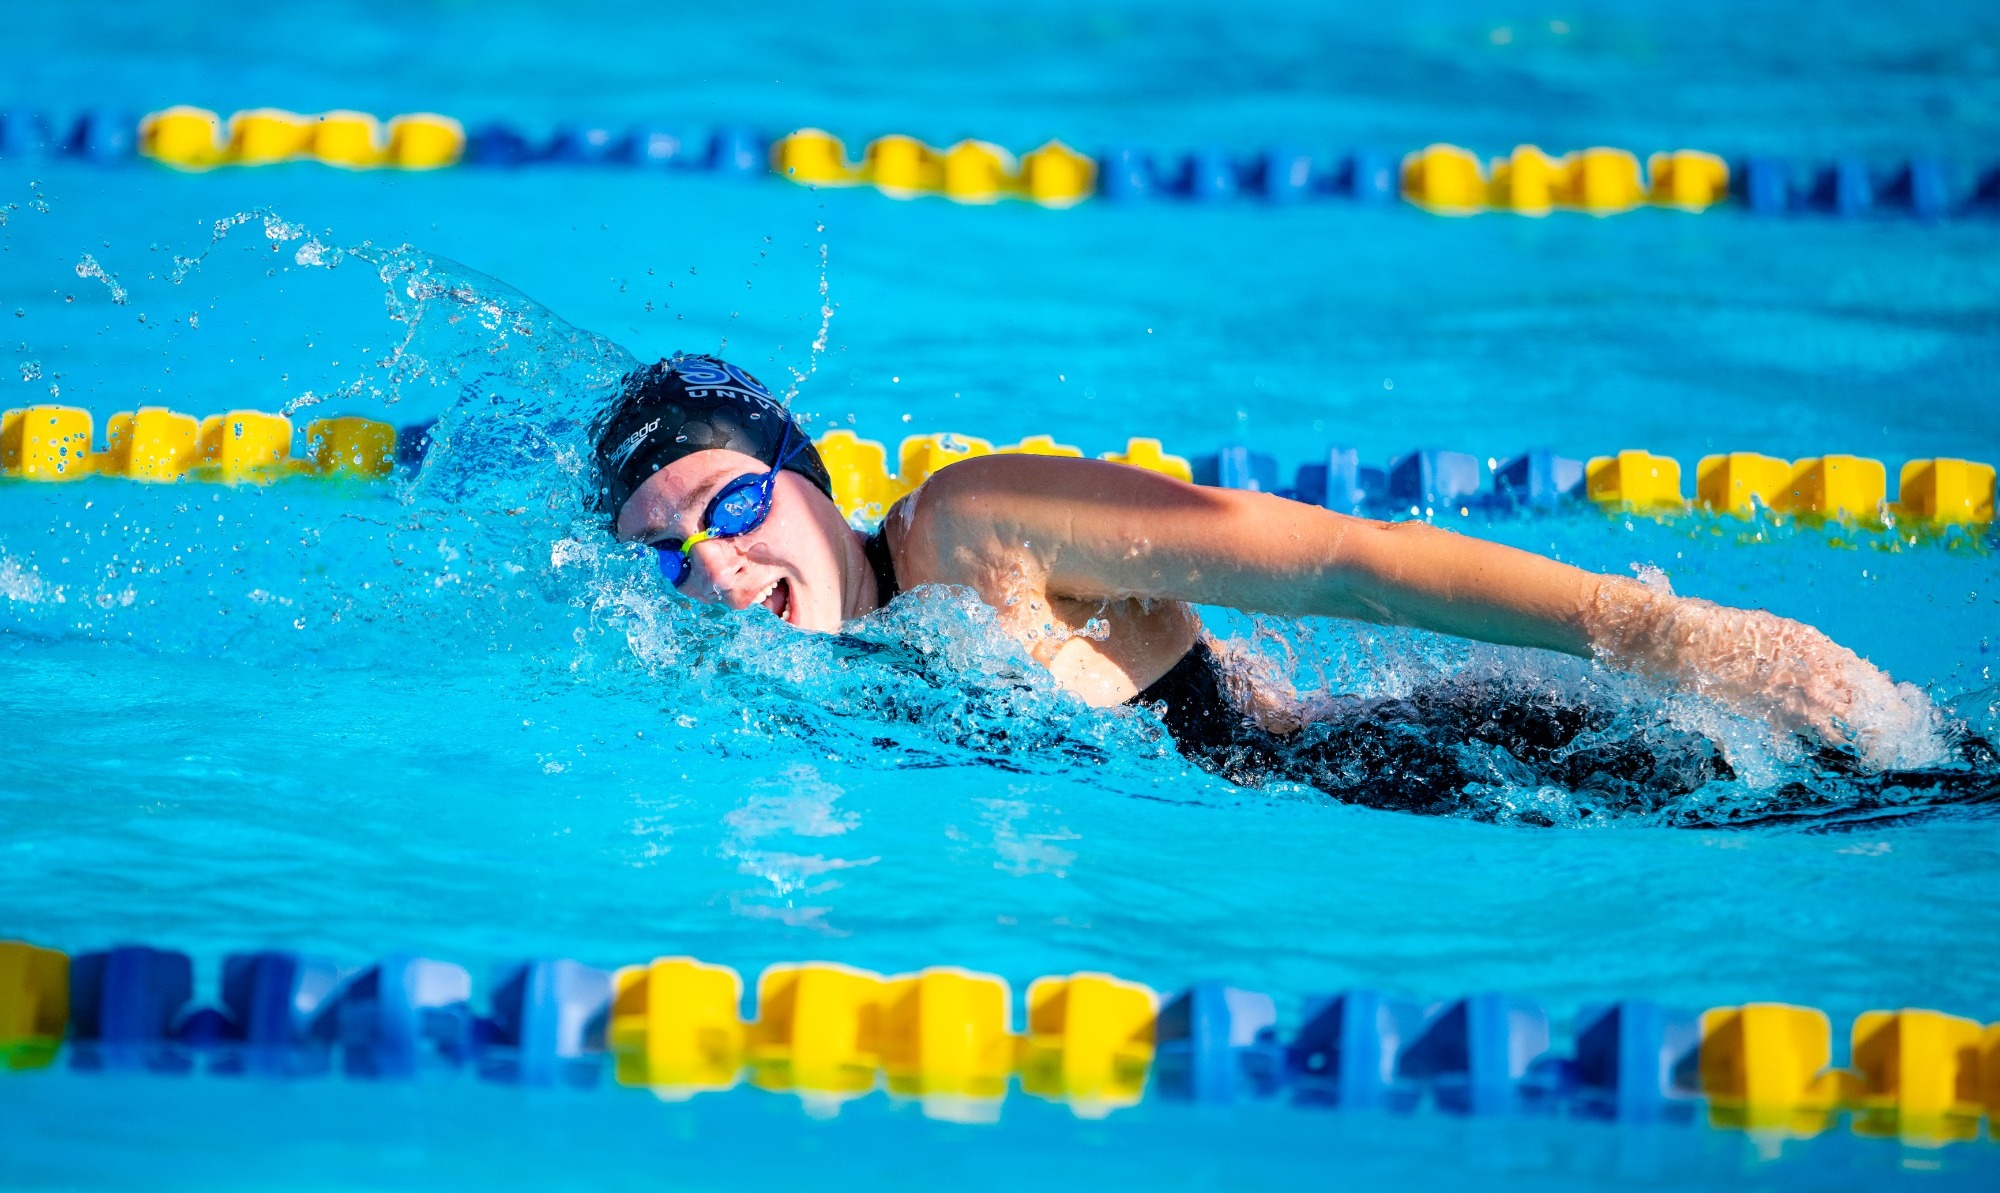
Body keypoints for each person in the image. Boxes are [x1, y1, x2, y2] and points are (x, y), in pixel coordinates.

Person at [594, 354, 1978, 824]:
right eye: (668, 551)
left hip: (1454, 767)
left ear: (810, 479)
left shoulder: (971, 526)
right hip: (1377, 817)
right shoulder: (769, 682)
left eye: (732, 503)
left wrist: (1669, 634)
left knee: (1934, 790)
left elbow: (1336, 560)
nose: (716, 566)